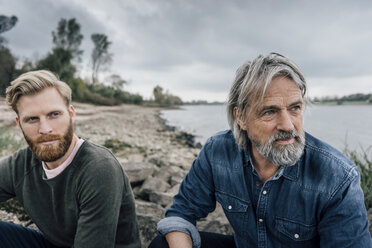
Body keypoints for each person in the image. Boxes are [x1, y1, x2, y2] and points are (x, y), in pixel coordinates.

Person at [149, 53, 372, 248]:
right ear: (241, 117)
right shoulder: (217, 153)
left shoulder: (337, 178)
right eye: (269, 112)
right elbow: (181, 212)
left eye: (295, 108)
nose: (288, 125)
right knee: (163, 244)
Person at [0, 70, 141, 248]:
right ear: (19, 124)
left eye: (54, 115)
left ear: (71, 114)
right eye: (32, 119)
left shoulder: (99, 168)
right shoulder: (20, 164)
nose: (45, 129)